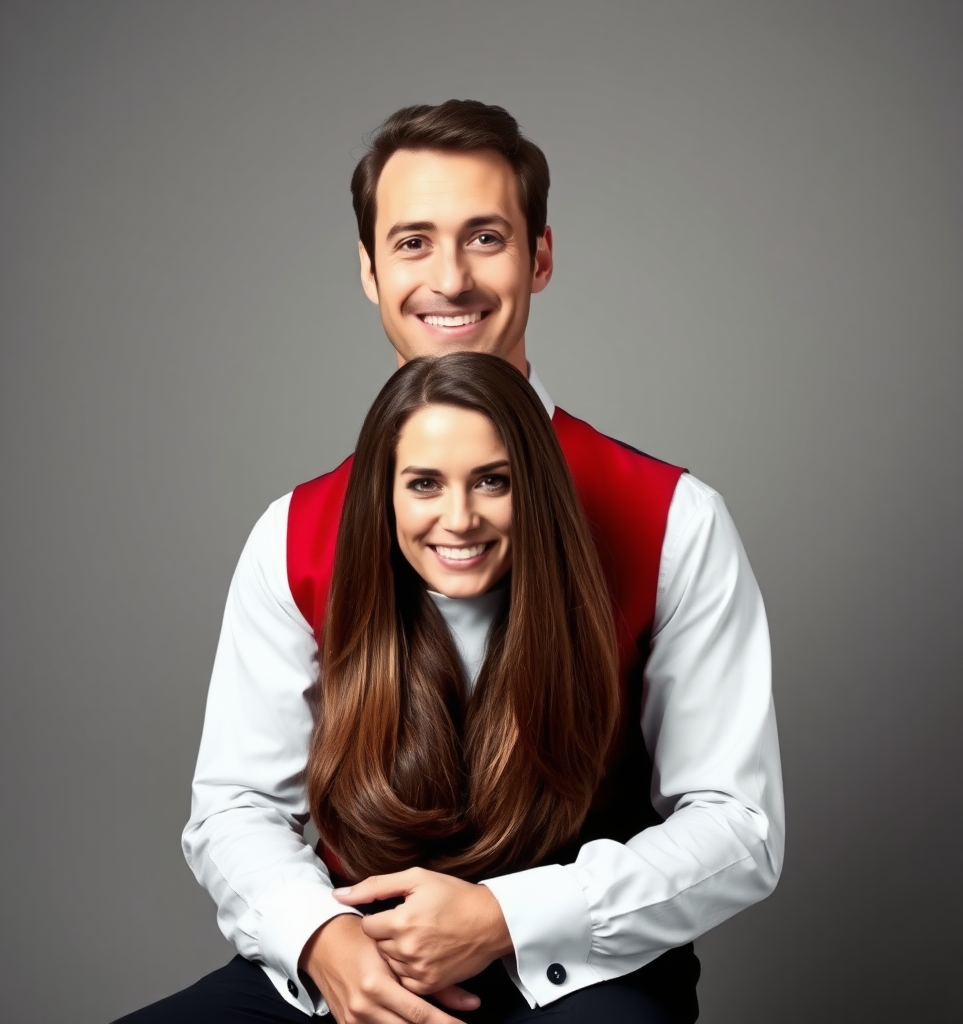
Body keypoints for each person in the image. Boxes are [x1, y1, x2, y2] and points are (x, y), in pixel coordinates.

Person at [114, 100, 783, 1024]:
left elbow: (735, 827)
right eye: (414, 242)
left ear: (540, 257)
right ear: (369, 269)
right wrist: (323, 940)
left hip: (583, 977)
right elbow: (235, 808)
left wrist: (507, 916)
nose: (451, 279)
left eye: (486, 237)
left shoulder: (675, 518)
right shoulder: (292, 531)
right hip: (353, 964)